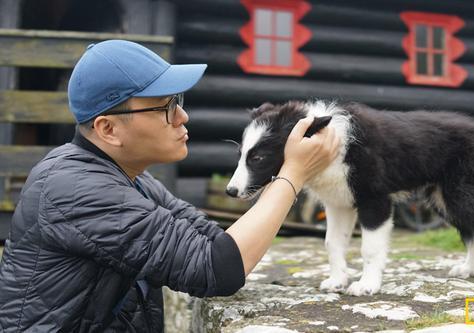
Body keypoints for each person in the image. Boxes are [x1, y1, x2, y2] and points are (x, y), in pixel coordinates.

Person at [0, 40, 339, 332]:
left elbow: (212, 241)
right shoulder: (75, 189)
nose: (182, 117)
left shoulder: (133, 180)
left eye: (179, 100)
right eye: (166, 107)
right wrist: (293, 173)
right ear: (108, 130)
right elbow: (221, 268)